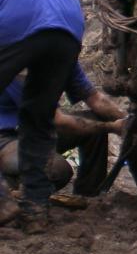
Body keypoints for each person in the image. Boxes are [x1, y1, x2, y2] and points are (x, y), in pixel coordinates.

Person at [0, 0, 92, 232]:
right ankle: (35, 212)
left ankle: (2, 203)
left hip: (16, 19)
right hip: (69, 24)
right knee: (38, 120)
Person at [0, 69, 126, 199]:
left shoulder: (64, 57)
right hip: (6, 135)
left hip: (37, 129)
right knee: (57, 170)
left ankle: (89, 198)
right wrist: (112, 127)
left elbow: (95, 99)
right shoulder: (19, 63)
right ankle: (10, 190)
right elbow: (56, 120)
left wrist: (128, 120)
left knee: (95, 122)